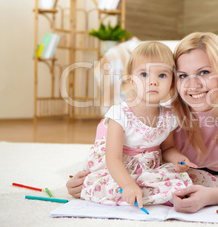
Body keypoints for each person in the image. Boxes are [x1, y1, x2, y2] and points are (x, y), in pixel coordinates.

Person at [67, 32, 218, 213]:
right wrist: (88, 177)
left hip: (184, 170)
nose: (193, 85)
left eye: (204, 72)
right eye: (183, 75)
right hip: (133, 160)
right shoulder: (167, 104)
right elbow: (112, 151)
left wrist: (211, 197)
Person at [80, 41, 198, 208]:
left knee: (185, 184)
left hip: (150, 166)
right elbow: (113, 158)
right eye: (144, 74)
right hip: (120, 166)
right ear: (132, 82)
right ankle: (132, 188)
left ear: (172, 83)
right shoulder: (120, 114)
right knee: (115, 189)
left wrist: (178, 159)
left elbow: (167, 149)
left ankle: (151, 189)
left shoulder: (168, 116)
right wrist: (127, 184)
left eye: (162, 75)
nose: (153, 82)